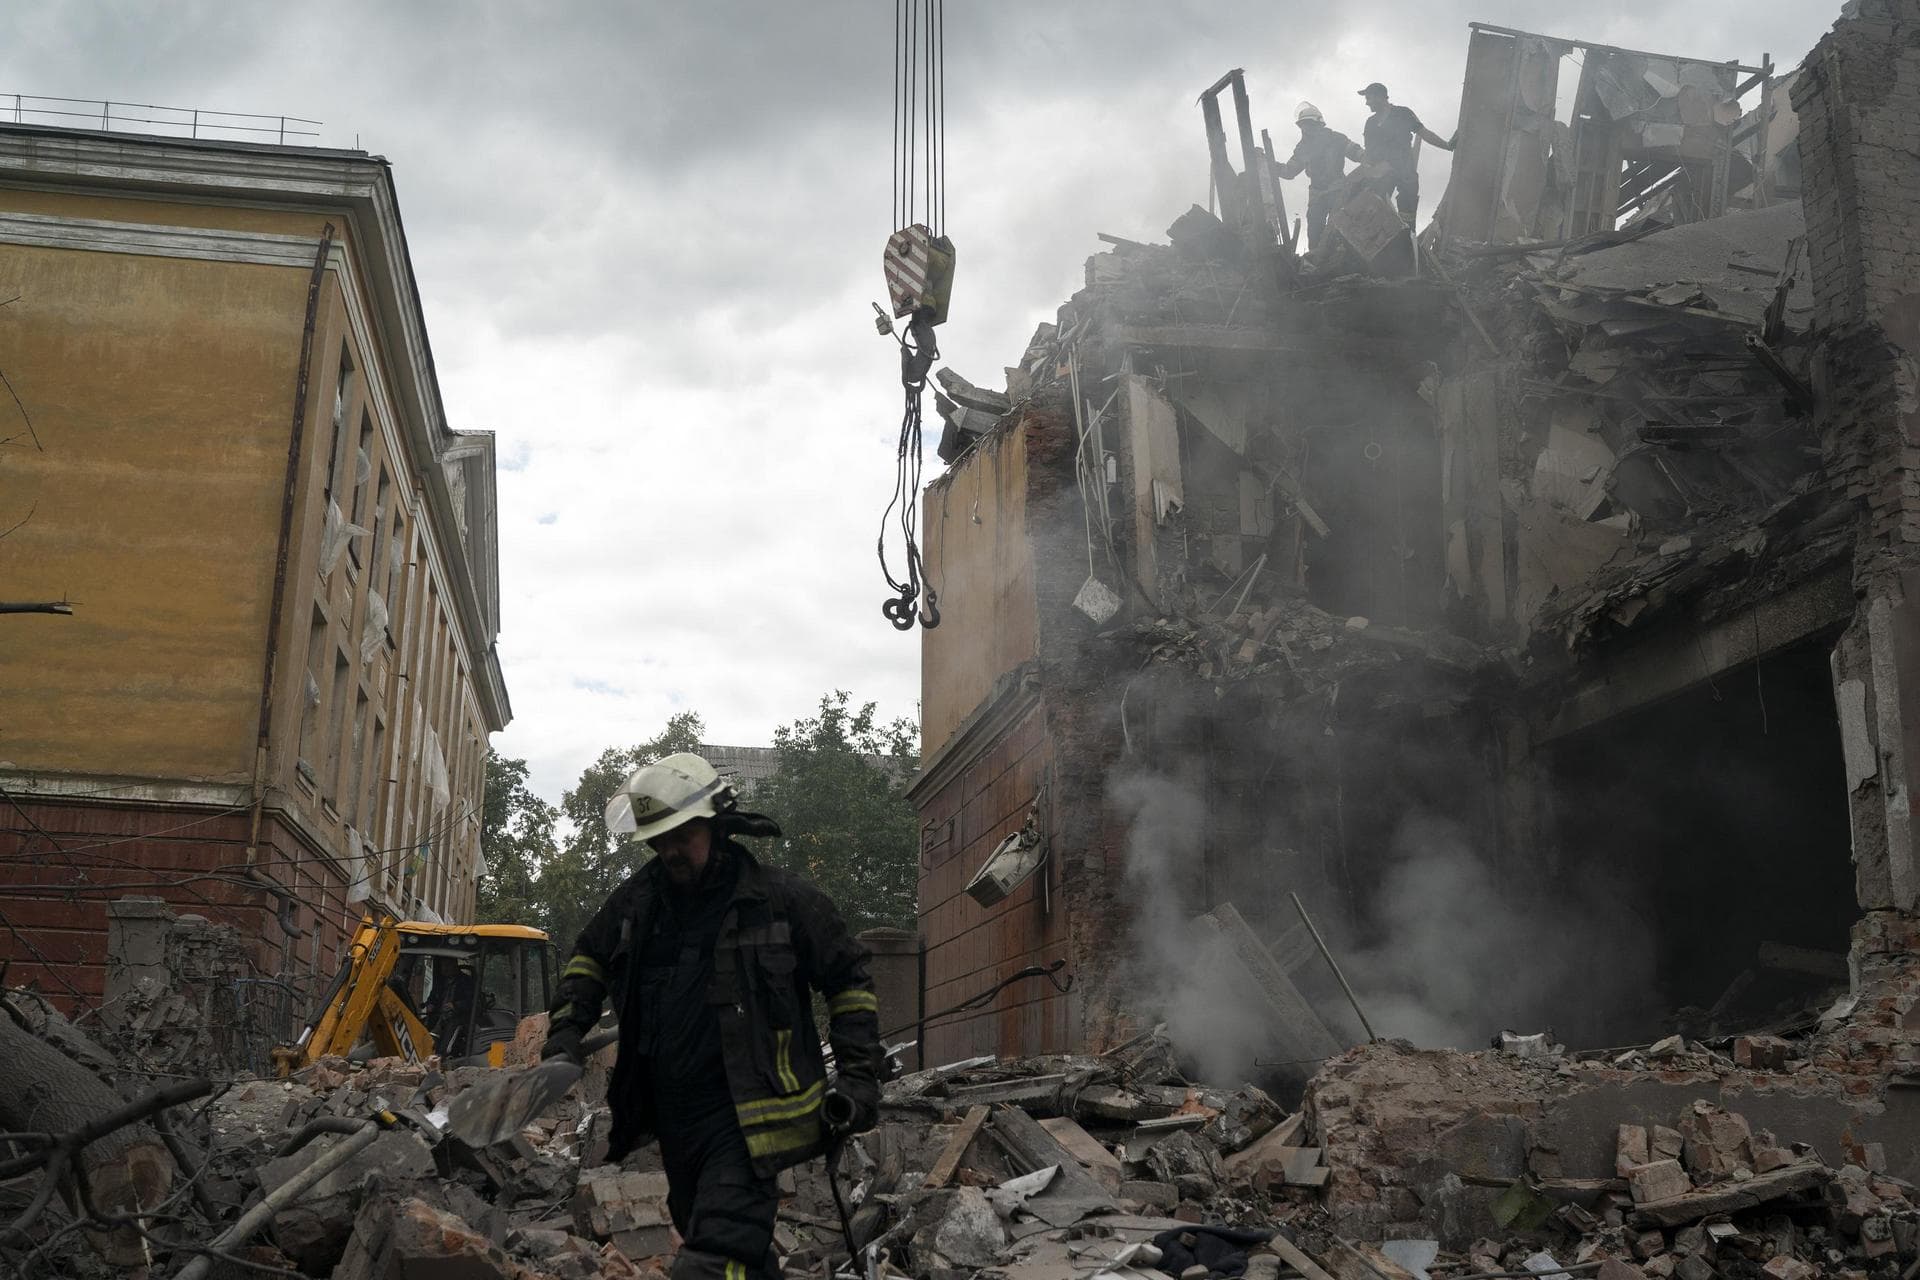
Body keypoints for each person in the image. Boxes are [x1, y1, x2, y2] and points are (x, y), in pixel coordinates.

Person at [542, 753, 883, 1280]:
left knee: (714, 1256)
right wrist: (565, 1031)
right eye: (658, 840)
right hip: (674, 1117)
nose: (669, 850)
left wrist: (860, 1076)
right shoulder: (637, 903)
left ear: (715, 825)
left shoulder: (779, 900)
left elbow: (849, 978)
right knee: (730, 1248)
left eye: (681, 835)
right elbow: (587, 958)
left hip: (750, 1117)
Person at [1271, 101, 1365, 252]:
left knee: (1342, 228)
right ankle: (1316, 263)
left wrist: (1370, 158)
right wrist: (1272, 165)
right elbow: (1289, 171)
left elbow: (1356, 152)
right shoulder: (1303, 148)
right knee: (1314, 231)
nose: (1305, 128)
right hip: (1317, 194)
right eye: (1302, 125)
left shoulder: (1336, 138)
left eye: (1308, 124)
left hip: (1338, 189)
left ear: (1318, 124)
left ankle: (1346, 261)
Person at [1357, 82, 1455, 224]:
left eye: (1369, 98)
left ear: (1380, 97)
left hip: (1405, 172)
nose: (1367, 103)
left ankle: (1408, 239)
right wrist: (1370, 170)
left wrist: (1447, 145)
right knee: (1373, 214)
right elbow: (1369, 153)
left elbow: (1425, 133)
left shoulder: (1403, 113)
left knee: (1407, 218)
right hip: (1380, 175)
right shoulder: (1370, 123)